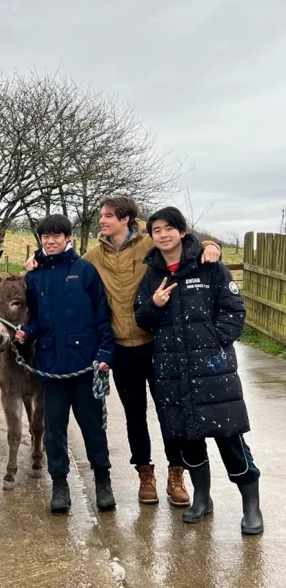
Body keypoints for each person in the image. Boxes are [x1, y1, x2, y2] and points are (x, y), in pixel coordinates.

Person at [26, 195, 220, 507]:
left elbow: (181, 246)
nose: (102, 220)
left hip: (157, 344)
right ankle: (146, 475)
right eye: (101, 215)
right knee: (134, 416)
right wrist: (36, 260)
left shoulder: (149, 245)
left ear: (125, 219)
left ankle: (176, 474)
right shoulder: (92, 258)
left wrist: (209, 244)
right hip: (122, 348)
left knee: (170, 414)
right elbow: (59, 264)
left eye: (108, 216)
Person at [134, 206, 262, 535]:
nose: (162, 235)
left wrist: (215, 343)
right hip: (172, 372)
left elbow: (234, 310)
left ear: (181, 230)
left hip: (212, 371)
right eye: (155, 230)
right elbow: (142, 320)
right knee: (188, 440)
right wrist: (154, 305)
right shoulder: (151, 275)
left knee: (229, 439)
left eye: (167, 229)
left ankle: (251, 506)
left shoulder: (211, 267)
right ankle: (201, 499)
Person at [16, 214, 115, 515]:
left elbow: (102, 317)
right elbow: (37, 321)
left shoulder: (85, 271)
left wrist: (106, 354)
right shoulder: (33, 277)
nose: (51, 241)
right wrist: (26, 334)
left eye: (57, 236)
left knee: (92, 427)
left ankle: (103, 481)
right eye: (45, 237)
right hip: (51, 366)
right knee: (54, 429)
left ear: (68, 237)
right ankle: (60, 485)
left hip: (86, 365)